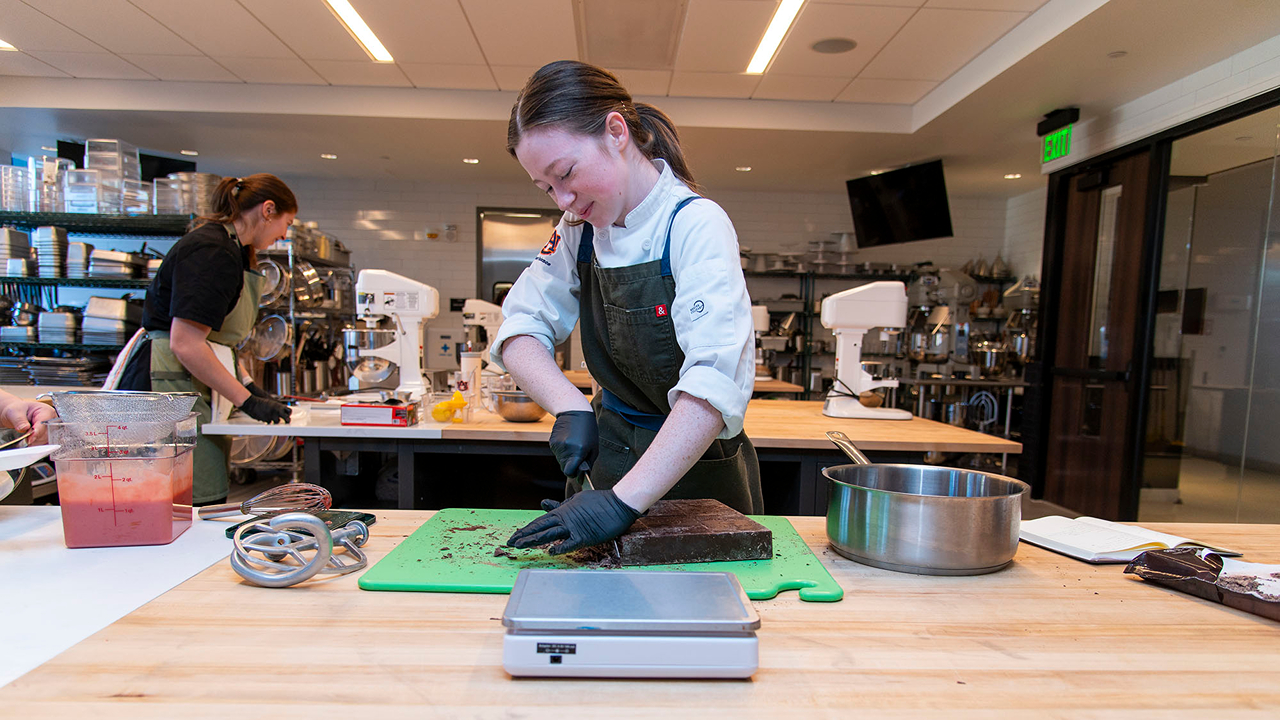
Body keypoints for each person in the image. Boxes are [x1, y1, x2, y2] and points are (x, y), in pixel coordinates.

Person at [494, 60, 761, 555]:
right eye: (547, 188)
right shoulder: (576, 230)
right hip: (610, 457)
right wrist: (569, 406)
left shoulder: (694, 223)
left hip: (695, 467)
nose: (564, 199)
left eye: (566, 173)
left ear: (616, 132)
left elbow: (713, 382)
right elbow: (520, 326)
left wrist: (622, 504)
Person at [115, 174, 295, 505]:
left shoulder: (234, 251)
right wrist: (246, 400)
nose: (284, 234)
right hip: (168, 381)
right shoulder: (212, 251)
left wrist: (249, 386)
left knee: (202, 493)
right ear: (268, 210)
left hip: (189, 379)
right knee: (182, 503)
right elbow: (186, 343)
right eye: (287, 222)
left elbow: (215, 340)